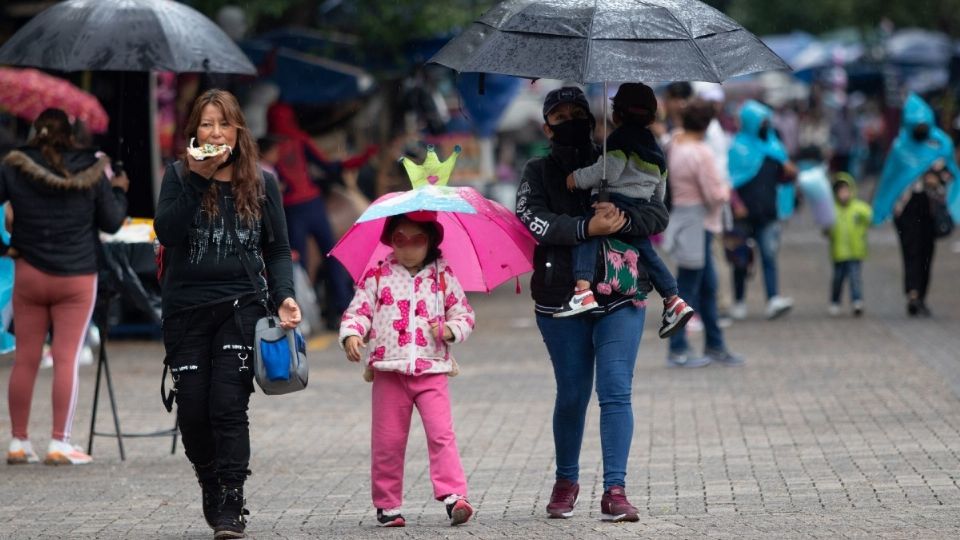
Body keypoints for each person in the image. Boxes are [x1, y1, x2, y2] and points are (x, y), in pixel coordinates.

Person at [515, 86, 669, 522]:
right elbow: (532, 219)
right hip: (561, 297)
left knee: (616, 391)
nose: (570, 120)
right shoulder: (537, 169)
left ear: (593, 115)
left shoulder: (625, 152)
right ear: (547, 127)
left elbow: (659, 212)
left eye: (577, 112)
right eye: (559, 115)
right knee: (572, 395)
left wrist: (619, 220)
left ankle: (615, 490)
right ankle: (566, 481)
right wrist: (586, 226)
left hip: (622, 291)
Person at [154, 89, 301, 539]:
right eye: (206, 124)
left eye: (223, 124)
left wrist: (284, 295)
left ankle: (232, 503)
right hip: (186, 311)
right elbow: (168, 232)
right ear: (194, 131)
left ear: (238, 130)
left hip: (243, 308)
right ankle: (209, 479)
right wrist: (199, 178)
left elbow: (275, 248)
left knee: (227, 406)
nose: (215, 132)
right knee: (194, 411)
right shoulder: (178, 176)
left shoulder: (262, 181)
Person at [1, 108, 128, 466]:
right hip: (76, 276)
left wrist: (6, 242)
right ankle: (60, 442)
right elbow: (112, 221)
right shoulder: (91, 169)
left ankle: (18, 442)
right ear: (71, 135)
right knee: (66, 358)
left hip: (29, 271)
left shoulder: (14, 164)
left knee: (25, 358)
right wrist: (118, 191)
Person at [339, 212, 475, 528]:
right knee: (387, 440)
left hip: (432, 370)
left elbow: (465, 315)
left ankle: (454, 495)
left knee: (442, 434)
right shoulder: (376, 276)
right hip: (389, 371)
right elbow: (357, 312)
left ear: (431, 242)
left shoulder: (443, 277)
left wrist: (451, 330)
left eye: (418, 241)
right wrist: (353, 334)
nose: (408, 248)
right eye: (400, 240)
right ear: (389, 240)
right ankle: (387, 505)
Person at [561, 83, 693, 337]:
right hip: (641, 207)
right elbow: (661, 189)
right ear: (653, 117)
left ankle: (583, 290)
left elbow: (608, 171)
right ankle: (673, 299)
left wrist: (576, 178)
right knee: (645, 251)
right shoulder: (656, 148)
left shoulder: (619, 140)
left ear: (615, 114)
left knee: (587, 232)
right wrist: (646, 206)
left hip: (615, 203)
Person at [267, 102, 375, 328]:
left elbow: (327, 167)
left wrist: (361, 159)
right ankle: (338, 311)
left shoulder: (272, 148)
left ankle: (313, 314)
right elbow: (330, 167)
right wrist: (362, 158)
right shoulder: (290, 142)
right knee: (325, 257)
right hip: (308, 206)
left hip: (296, 209)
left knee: (303, 263)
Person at [665, 100, 742, 368]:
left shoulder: (674, 143)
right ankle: (678, 348)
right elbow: (713, 195)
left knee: (706, 286)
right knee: (687, 288)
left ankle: (715, 343)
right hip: (700, 222)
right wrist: (725, 191)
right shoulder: (701, 152)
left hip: (683, 219)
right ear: (707, 124)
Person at [871, 93, 960, 317]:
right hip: (906, 209)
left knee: (927, 252)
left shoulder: (941, 143)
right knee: (910, 250)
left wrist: (936, 176)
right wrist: (881, 206)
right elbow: (890, 179)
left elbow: (951, 173)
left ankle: (921, 295)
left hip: (931, 207)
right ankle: (912, 292)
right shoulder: (900, 146)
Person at [728, 100, 798, 320]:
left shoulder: (775, 148)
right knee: (740, 259)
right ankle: (739, 301)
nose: (765, 126)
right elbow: (728, 181)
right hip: (742, 216)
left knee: (769, 255)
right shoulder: (737, 148)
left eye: (767, 121)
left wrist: (789, 171)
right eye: (761, 122)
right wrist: (736, 204)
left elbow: (785, 178)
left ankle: (773, 299)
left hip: (768, 213)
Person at [826, 172, 872, 317]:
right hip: (838, 251)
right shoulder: (832, 210)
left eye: (846, 190)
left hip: (855, 250)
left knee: (855, 278)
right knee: (838, 279)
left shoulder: (859, 208)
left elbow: (871, 218)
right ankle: (835, 301)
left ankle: (857, 300)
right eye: (840, 191)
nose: (843, 194)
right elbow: (826, 227)